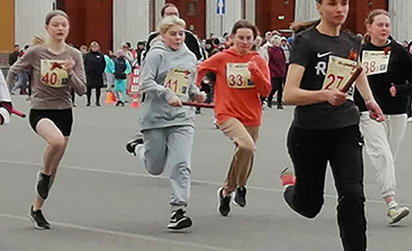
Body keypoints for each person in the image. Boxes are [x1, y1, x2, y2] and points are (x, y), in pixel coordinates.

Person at [280, 0, 385, 251]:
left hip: (344, 129)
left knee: (353, 196)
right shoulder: (305, 42)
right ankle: (290, 186)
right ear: (319, 7)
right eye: (333, 3)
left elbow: (357, 72)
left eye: (344, 3)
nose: (340, 9)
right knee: (310, 206)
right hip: (308, 133)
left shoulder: (352, 40)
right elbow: (288, 94)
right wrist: (325, 95)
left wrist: (369, 101)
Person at [5, 10, 87, 230]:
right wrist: (6, 98)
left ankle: (37, 208)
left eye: (64, 25)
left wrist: (70, 72)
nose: (60, 28)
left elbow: (81, 89)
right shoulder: (36, 52)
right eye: (56, 25)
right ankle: (43, 172)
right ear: (47, 28)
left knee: (56, 164)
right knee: (56, 142)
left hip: (65, 111)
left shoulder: (74, 55)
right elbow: (14, 71)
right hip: (41, 109)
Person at [125, 16, 206, 231]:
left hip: (182, 119)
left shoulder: (189, 57)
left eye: (181, 34)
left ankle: (178, 209)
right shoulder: (156, 55)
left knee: (181, 164)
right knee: (155, 166)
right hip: (155, 118)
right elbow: (145, 83)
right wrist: (165, 93)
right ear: (163, 35)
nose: (178, 38)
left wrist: (197, 93)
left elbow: (189, 84)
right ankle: (138, 147)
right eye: (173, 34)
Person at [196, 20, 272, 217]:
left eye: (249, 38)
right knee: (247, 146)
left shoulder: (258, 60)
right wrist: (195, 89)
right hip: (227, 113)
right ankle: (239, 185)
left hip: (251, 114)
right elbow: (199, 68)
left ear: (255, 40)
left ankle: (228, 190)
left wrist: (255, 72)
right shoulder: (222, 58)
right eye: (241, 38)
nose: (245, 42)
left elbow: (265, 90)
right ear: (232, 39)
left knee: (245, 152)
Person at [358, 9, 412, 224]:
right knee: (383, 155)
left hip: (396, 112)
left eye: (387, 25)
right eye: (380, 25)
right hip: (368, 113)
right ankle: (392, 205)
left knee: (389, 157)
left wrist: (400, 89)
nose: (385, 29)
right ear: (369, 27)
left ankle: (383, 188)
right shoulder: (360, 52)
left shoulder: (399, 52)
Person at [83, 41, 110, 107]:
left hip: (98, 74)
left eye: (96, 47)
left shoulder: (101, 55)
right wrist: (87, 70)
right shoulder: (87, 55)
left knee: (98, 88)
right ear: (90, 48)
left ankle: (97, 101)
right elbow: (84, 63)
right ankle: (88, 101)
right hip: (90, 74)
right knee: (89, 88)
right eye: (93, 47)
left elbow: (104, 64)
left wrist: (101, 70)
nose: (94, 48)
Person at [267, 34, 288, 109]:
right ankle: (269, 98)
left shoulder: (280, 50)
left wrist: (284, 70)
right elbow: (270, 61)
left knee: (280, 88)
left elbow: (283, 60)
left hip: (281, 71)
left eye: (277, 42)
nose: (276, 44)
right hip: (274, 71)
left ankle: (279, 103)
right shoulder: (270, 50)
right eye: (275, 42)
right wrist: (273, 70)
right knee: (274, 87)